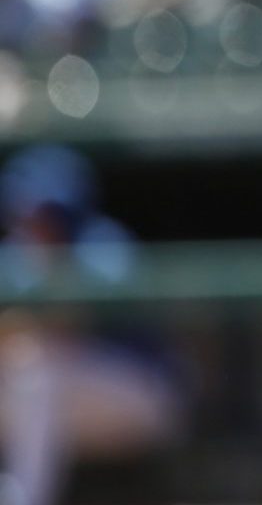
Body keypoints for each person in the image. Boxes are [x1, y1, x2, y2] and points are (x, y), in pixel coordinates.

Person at [0, 147, 183, 505]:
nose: (34, 220)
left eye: (45, 211)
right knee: (33, 368)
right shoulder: (17, 253)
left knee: (42, 366)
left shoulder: (105, 248)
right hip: (62, 401)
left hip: (140, 394)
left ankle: (26, 499)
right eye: (26, 210)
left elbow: (67, 329)